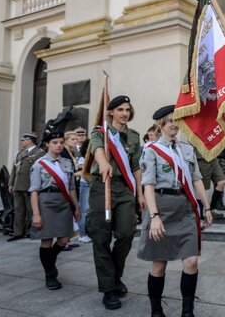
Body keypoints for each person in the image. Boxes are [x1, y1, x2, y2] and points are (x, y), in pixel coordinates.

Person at [138, 105, 213, 317]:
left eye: (176, 120)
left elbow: (197, 179)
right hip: (161, 210)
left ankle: (187, 311)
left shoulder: (187, 149)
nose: (173, 124)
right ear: (160, 125)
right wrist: (154, 217)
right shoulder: (151, 151)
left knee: (191, 261)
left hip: (185, 209)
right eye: (169, 120)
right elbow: (148, 185)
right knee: (159, 265)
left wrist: (206, 206)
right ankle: (156, 310)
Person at [86, 95, 142, 310]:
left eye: (127, 109)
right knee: (101, 238)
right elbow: (97, 149)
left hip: (125, 189)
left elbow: (136, 166)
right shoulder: (100, 132)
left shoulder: (134, 137)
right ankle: (109, 289)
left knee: (127, 233)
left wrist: (140, 194)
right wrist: (103, 164)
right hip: (102, 186)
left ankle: (115, 275)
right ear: (110, 112)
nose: (125, 113)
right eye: (120, 109)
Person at [28, 132, 81, 290]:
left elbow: (71, 187)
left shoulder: (67, 163)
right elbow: (34, 191)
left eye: (60, 142)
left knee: (64, 240)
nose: (58, 145)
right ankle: (49, 273)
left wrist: (76, 206)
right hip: (46, 202)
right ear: (47, 144)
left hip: (64, 203)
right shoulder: (39, 164)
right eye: (54, 142)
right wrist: (36, 214)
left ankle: (50, 261)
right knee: (47, 240)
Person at [8, 132, 45, 241]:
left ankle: (30, 231)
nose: (22, 141)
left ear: (30, 140)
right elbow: (14, 169)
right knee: (18, 210)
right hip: (18, 185)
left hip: (30, 186)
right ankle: (18, 232)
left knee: (30, 209)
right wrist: (11, 183)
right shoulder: (20, 153)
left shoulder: (39, 153)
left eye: (23, 140)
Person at [77, 139, 92, 243]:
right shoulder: (83, 158)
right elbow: (84, 171)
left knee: (90, 210)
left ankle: (88, 232)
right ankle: (82, 234)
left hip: (93, 184)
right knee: (84, 209)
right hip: (86, 184)